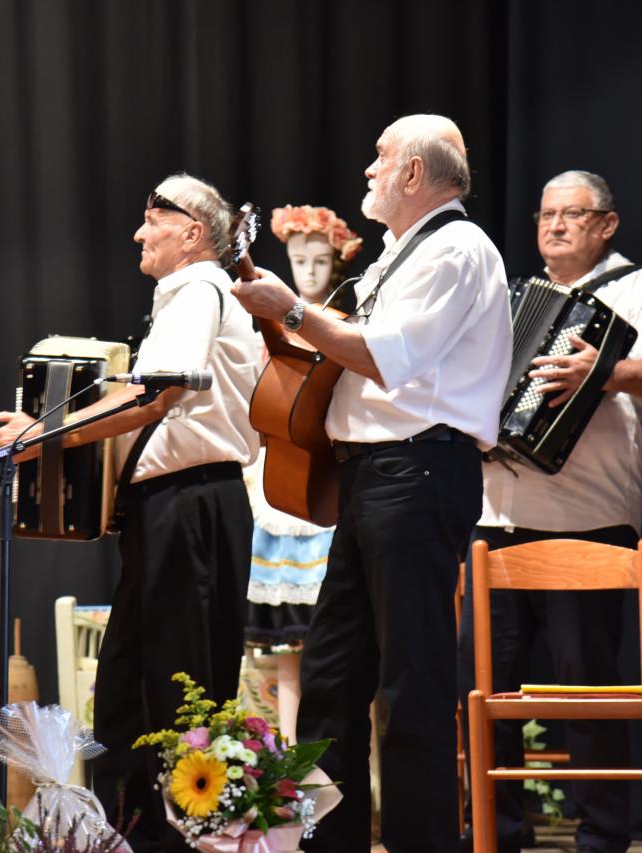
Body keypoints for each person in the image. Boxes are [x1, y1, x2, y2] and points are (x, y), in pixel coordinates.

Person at [231, 114, 513, 853]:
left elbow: (387, 358)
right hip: (374, 477)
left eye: (381, 156)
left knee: (412, 683)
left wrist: (293, 310)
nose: (368, 169)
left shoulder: (456, 249)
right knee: (329, 676)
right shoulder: (398, 253)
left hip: (418, 471)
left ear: (415, 172)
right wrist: (279, 317)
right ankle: (330, 843)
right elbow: (341, 356)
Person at [0, 173, 261, 853]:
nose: (139, 234)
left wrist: (43, 433)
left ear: (192, 232)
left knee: (176, 692)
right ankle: (138, 838)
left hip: (190, 506)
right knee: (132, 692)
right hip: (175, 509)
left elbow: (154, 396)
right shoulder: (192, 296)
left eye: (152, 220)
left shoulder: (198, 291)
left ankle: (178, 842)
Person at [460, 170, 642, 853]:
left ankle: (601, 839)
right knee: (487, 692)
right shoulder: (512, 300)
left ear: (607, 224)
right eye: (547, 215)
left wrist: (603, 372)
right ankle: (497, 834)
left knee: (587, 691)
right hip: (494, 520)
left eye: (573, 214)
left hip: (587, 518)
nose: (556, 225)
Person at [242, 205, 362, 741]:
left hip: (327, 478)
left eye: (319, 260)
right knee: (286, 646)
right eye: (298, 260)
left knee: (334, 636)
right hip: (278, 479)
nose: (309, 271)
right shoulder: (269, 326)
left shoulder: (344, 323)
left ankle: (336, 749)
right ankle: (291, 750)